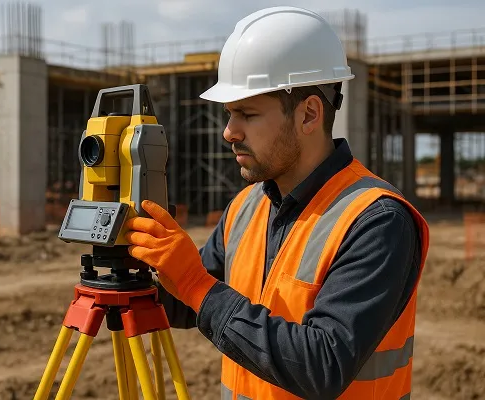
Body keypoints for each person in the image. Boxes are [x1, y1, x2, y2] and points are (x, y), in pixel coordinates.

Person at [124, 6, 430, 400]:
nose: (229, 132)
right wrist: (140, 269)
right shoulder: (247, 207)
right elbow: (190, 302)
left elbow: (323, 364)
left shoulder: (377, 220)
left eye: (246, 114)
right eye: (229, 114)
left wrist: (193, 282)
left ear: (308, 114)